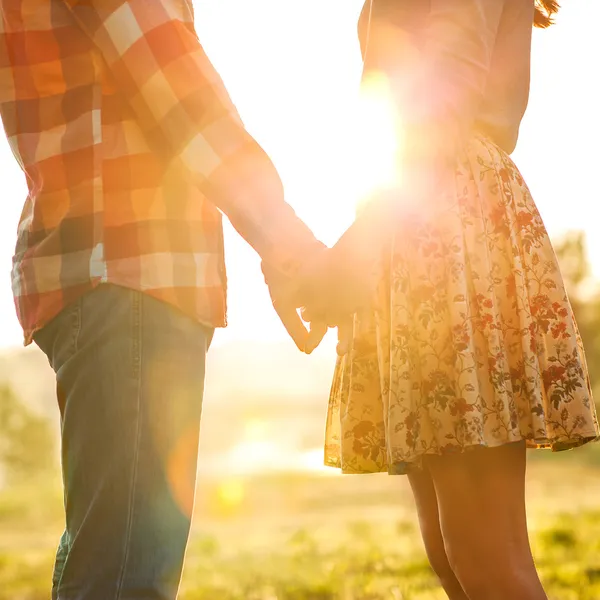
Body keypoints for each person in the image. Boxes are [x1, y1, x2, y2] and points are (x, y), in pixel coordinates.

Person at [0, 1, 325, 599]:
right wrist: (285, 240)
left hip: (105, 276)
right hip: (129, 271)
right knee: (124, 579)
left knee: (105, 560)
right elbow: (180, 94)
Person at [295, 1, 600, 599]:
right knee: (450, 551)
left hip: (447, 222)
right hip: (416, 216)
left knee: (484, 554)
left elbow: (446, 99)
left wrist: (357, 248)